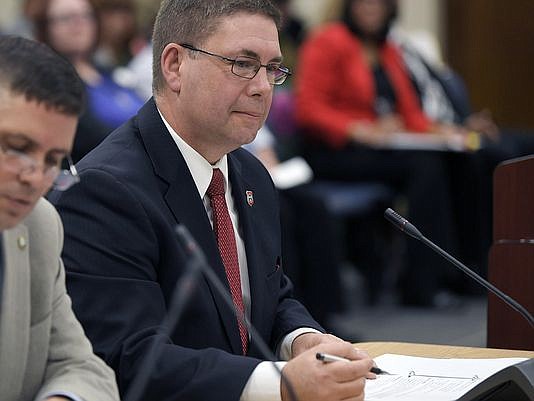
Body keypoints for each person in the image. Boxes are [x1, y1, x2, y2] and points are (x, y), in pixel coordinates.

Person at [49, 1, 374, 400]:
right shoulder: (106, 190)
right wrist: (283, 384)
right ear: (174, 66)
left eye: (272, 69)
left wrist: (301, 340)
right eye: (242, 63)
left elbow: (269, 294)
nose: (262, 86)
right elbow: (131, 358)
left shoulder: (251, 175)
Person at [295, 0, 464, 307]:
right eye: (364, 2)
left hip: (379, 150)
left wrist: (439, 131)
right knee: (424, 168)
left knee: (454, 159)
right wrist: (356, 128)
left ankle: (455, 274)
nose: (371, 8)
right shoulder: (327, 40)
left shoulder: (387, 48)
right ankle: (419, 284)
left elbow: (408, 111)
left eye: (379, 3)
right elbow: (308, 109)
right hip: (332, 151)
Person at [0, 35, 120, 401]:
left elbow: (84, 367)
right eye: (18, 149)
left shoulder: (39, 225)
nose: (35, 176)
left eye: (53, 160)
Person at [27, 0, 144, 162]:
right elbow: (91, 136)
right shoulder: (49, 81)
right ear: (46, 28)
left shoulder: (110, 72)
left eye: (86, 16)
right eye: (67, 18)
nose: (78, 23)